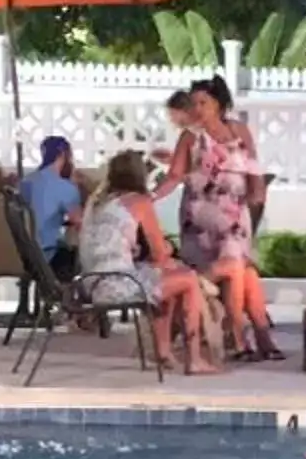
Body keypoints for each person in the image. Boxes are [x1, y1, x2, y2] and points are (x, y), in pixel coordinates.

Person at [172, 75, 282, 361]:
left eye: (203, 102)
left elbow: (253, 164)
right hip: (200, 216)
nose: (197, 109)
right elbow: (175, 174)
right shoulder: (190, 137)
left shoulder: (239, 131)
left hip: (234, 212)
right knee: (237, 268)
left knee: (243, 271)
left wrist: (258, 189)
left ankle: (251, 337)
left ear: (219, 105)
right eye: (193, 103)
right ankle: (248, 337)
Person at [79, 150, 219, 374]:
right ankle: (194, 359)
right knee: (189, 279)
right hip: (118, 284)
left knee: (164, 278)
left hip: (90, 283)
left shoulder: (97, 202)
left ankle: (163, 353)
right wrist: (169, 249)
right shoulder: (139, 201)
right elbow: (159, 253)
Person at [22, 135, 84, 275]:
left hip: (21, 254)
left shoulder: (25, 182)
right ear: (63, 155)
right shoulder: (65, 187)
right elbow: (79, 221)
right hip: (47, 255)